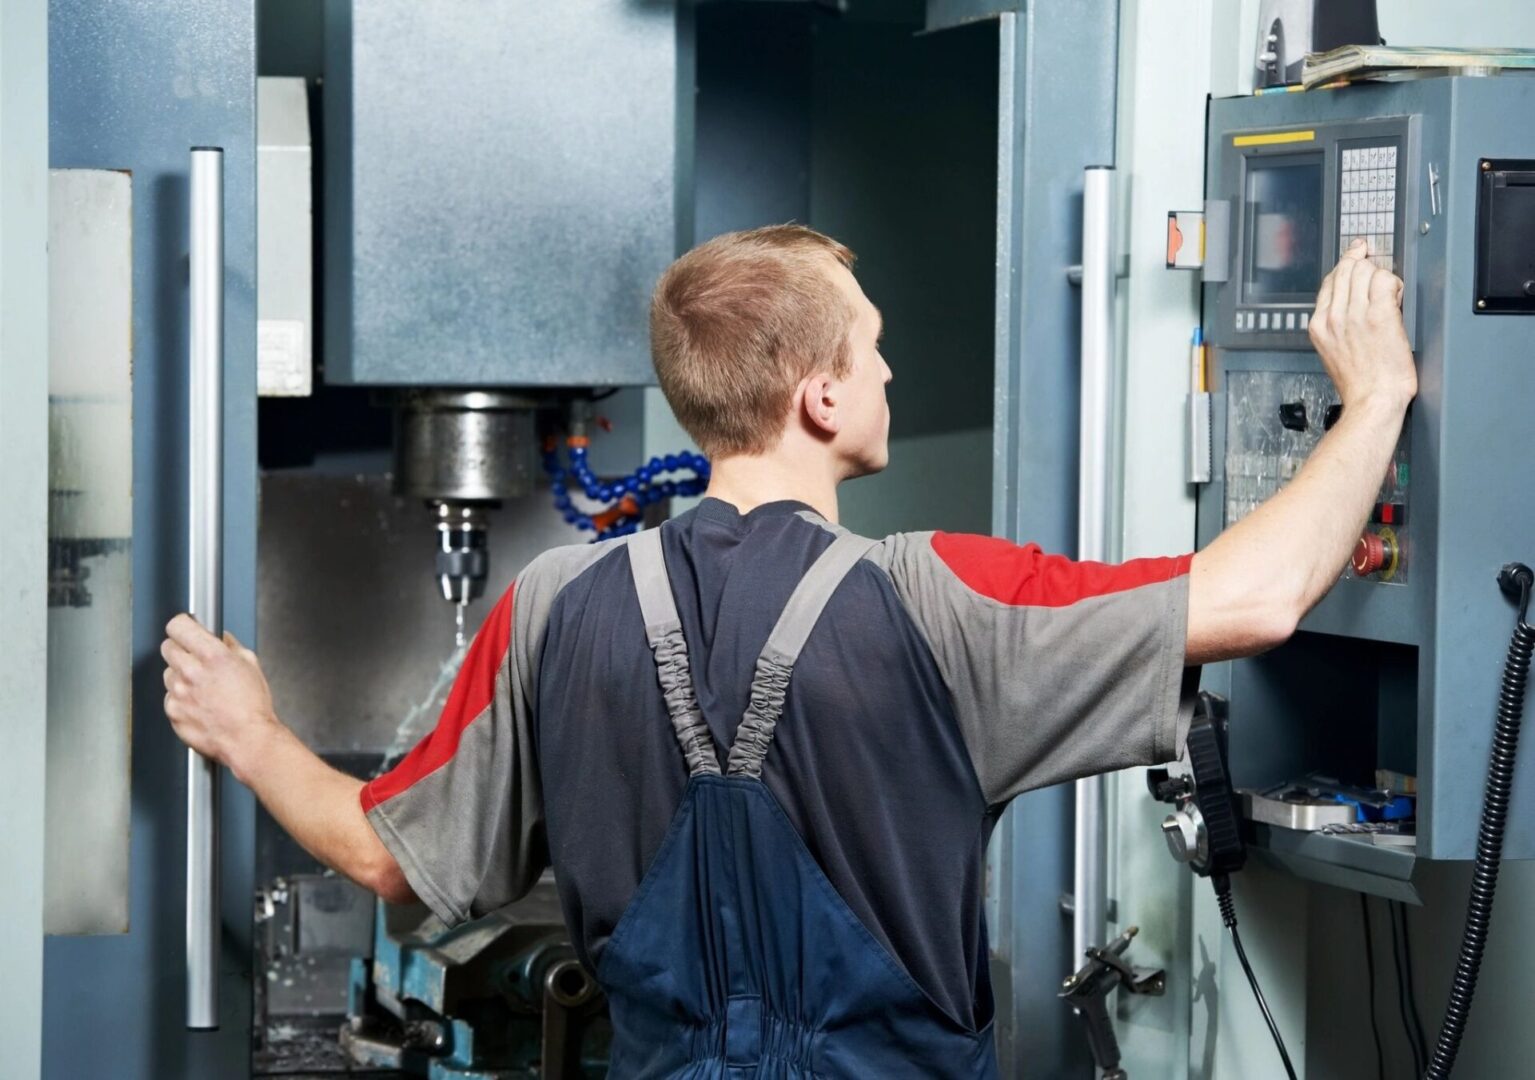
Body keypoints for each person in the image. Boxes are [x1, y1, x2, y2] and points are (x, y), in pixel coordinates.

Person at [162, 227, 1415, 1076]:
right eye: (868, 349)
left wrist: (248, 732)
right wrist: (1370, 401)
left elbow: (388, 859)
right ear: (819, 397)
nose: (885, 370)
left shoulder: (552, 604)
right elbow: (1251, 598)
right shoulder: (944, 598)